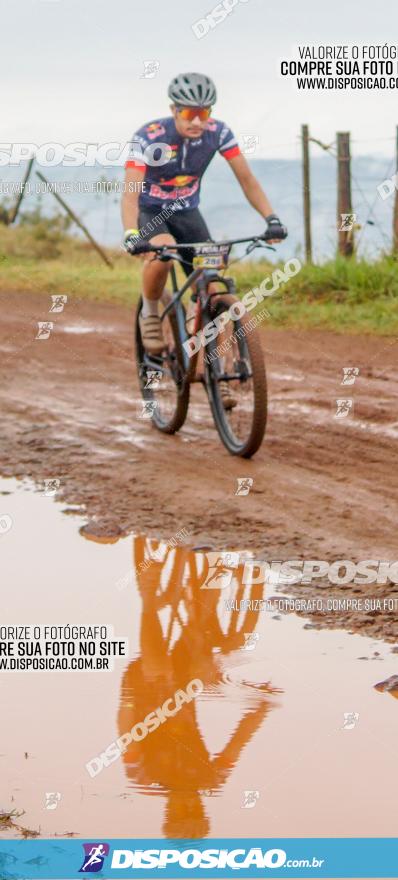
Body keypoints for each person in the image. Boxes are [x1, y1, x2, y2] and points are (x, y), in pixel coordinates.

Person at [122, 72, 287, 355]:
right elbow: (130, 194)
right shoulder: (148, 137)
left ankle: (219, 372)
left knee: (214, 286)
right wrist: (131, 234)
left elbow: (247, 180)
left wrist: (271, 218)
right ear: (174, 110)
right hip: (151, 211)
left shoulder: (219, 133)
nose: (197, 121)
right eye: (188, 113)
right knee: (161, 256)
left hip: (188, 213)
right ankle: (149, 313)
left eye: (204, 113)